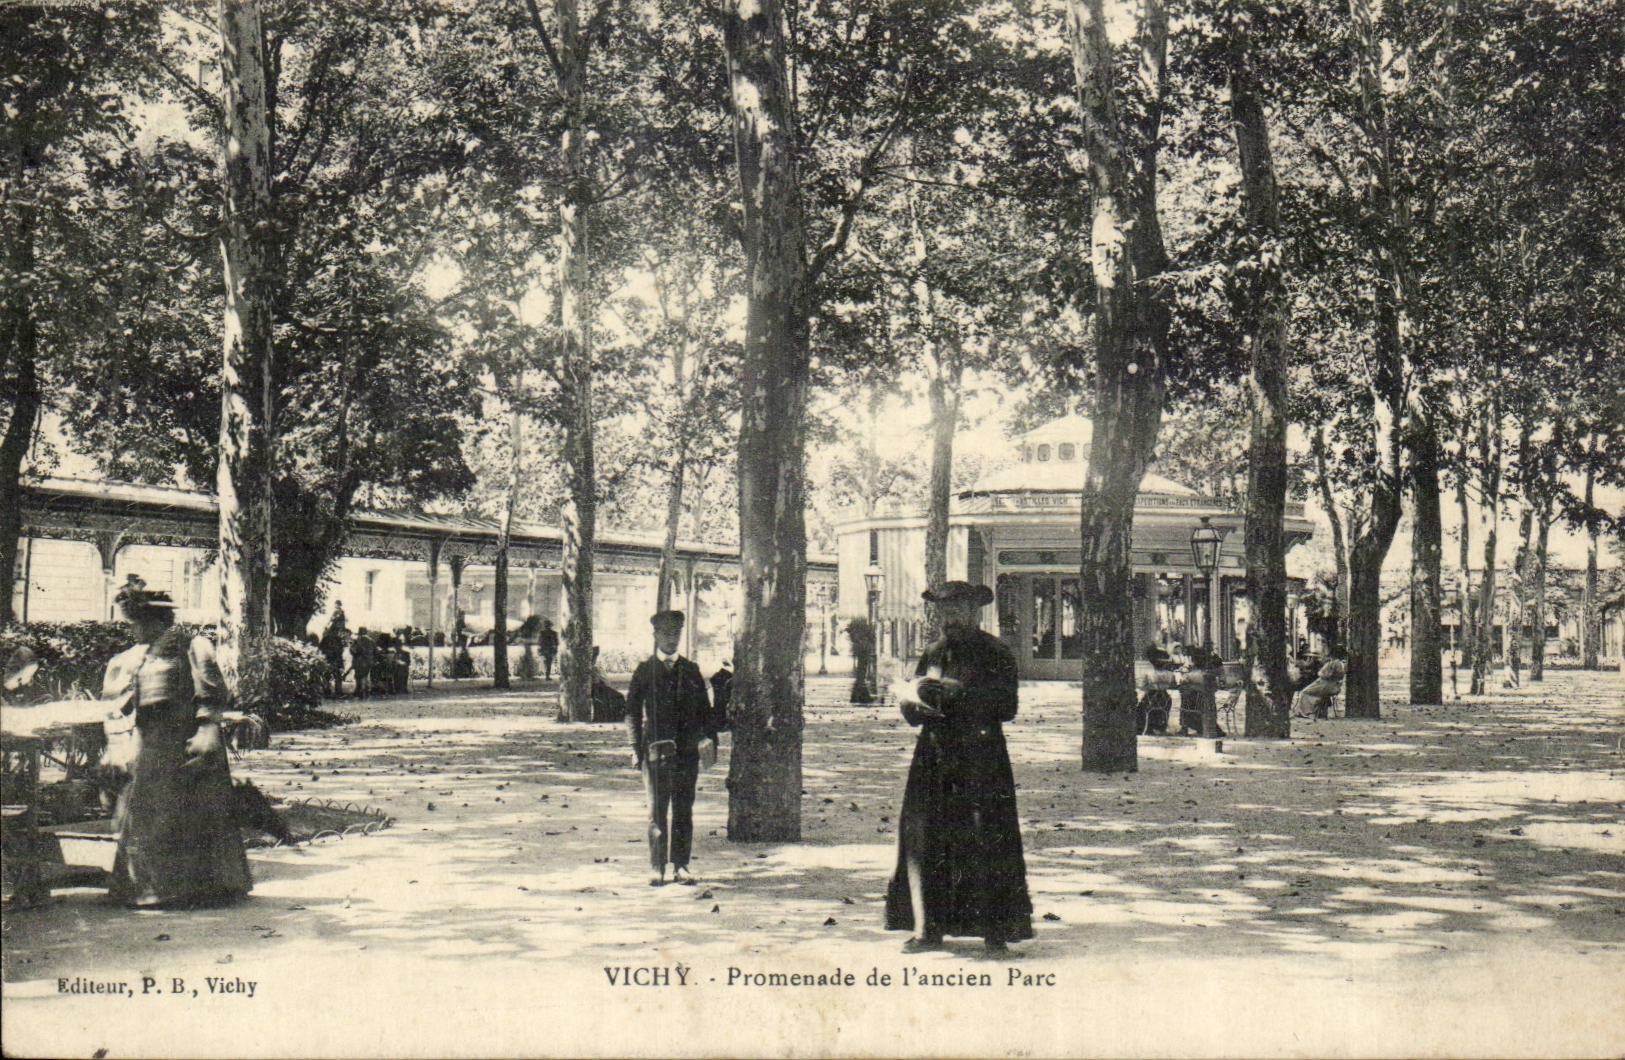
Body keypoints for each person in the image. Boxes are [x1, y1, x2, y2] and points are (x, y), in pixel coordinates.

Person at [885, 581, 1033, 955]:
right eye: (944, 612)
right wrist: (911, 704)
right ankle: (927, 929)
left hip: (981, 758)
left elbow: (1008, 707)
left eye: (957, 611)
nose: (949, 619)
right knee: (926, 838)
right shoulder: (933, 653)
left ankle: (995, 930)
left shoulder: (996, 653)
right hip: (933, 757)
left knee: (986, 837)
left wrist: (961, 695)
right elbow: (915, 703)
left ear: (975, 612)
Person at [101, 585, 251, 908]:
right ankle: (150, 890)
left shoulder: (192, 645)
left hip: (185, 743)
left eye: (137, 624)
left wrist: (208, 728)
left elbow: (211, 690)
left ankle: (198, 890)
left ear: (156, 621)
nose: (134, 631)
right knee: (151, 817)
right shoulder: (145, 653)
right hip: (153, 745)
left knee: (190, 816)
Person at [626, 611, 715, 887]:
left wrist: (707, 738)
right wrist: (634, 747)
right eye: (665, 633)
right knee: (656, 811)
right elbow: (631, 712)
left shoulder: (691, 670)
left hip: (686, 754)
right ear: (655, 636)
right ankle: (657, 867)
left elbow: (705, 711)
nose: (671, 638)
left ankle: (681, 866)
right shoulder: (645, 671)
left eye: (675, 633)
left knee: (683, 810)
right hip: (654, 753)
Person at [319, 604, 349, 698]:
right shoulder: (335, 637)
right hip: (334, 657)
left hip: (330, 657)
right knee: (336, 675)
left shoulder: (327, 637)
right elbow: (339, 649)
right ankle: (337, 692)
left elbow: (321, 647)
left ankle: (328, 691)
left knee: (329, 675)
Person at [351, 627, 376, 700]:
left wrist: (352, 649)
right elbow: (375, 651)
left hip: (360, 661)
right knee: (366, 676)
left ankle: (361, 692)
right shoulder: (372, 641)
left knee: (359, 677)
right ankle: (367, 691)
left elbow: (355, 651)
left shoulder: (359, 640)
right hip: (369, 661)